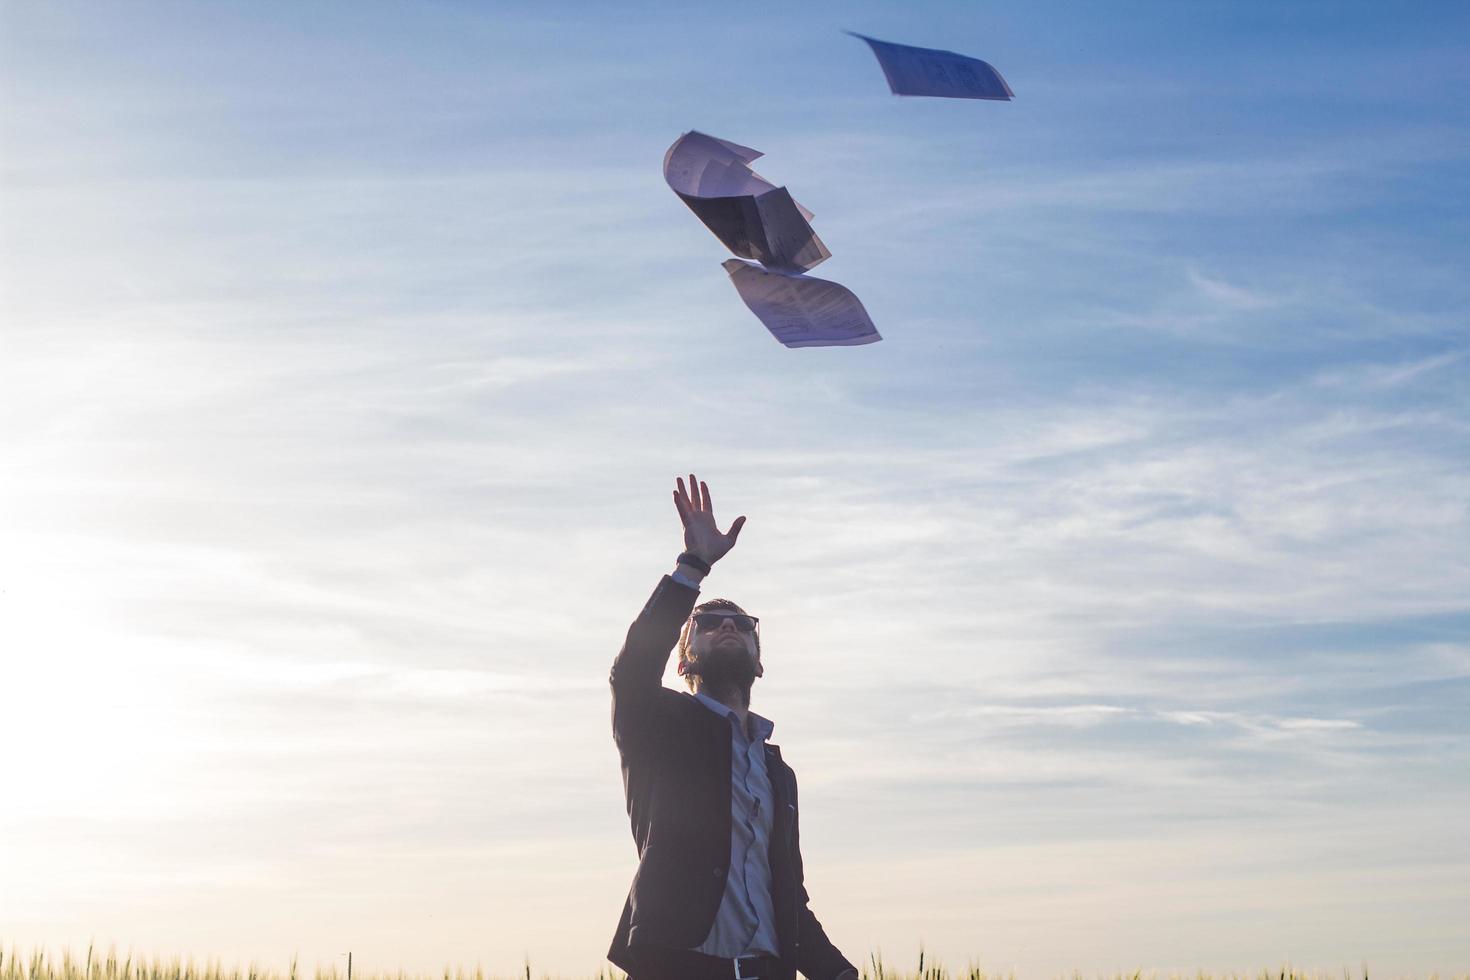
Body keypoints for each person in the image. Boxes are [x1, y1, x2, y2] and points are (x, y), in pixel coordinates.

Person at [607, 474, 860, 980]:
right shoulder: (660, 728)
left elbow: (789, 897)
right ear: (684, 663)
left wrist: (840, 974)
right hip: (679, 966)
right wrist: (693, 566)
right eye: (708, 623)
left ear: (759, 663)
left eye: (742, 625)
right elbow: (632, 668)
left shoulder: (776, 772)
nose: (727, 626)